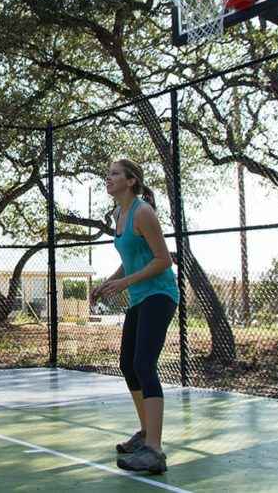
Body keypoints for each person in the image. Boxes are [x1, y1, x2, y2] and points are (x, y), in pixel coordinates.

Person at [90, 158, 178, 475]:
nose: (108, 178)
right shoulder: (120, 214)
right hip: (140, 296)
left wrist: (125, 282)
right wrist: (110, 282)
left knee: (143, 364)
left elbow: (163, 260)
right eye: (108, 173)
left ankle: (155, 449)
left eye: (114, 174)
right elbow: (131, 259)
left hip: (160, 294)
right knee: (128, 364)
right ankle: (145, 434)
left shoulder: (142, 212)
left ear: (131, 181)